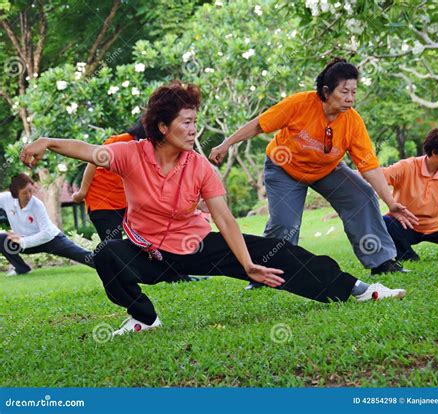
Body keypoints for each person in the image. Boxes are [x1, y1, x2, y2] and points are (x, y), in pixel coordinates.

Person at [21, 81, 407, 337]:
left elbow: (224, 218)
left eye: (195, 122)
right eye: (186, 123)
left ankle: (359, 289)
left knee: (277, 254)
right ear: (161, 127)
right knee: (107, 254)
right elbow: (87, 150)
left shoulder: (200, 166)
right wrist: (46, 141)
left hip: (196, 245)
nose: (194, 130)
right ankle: (144, 318)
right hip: (148, 253)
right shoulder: (130, 155)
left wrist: (248, 263)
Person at [209, 57, 418, 289]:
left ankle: (382, 262)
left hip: (326, 170)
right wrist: (225, 144)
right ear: (326, 91)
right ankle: (265, 274)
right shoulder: (300, 103)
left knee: (362, 196)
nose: (350, 98)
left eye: (354, 92)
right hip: (284, 169)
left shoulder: (353, 122)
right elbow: (260, 124)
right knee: (285, 224)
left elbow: (369, 166)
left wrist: (391, 202)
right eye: (344, 91)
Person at [70, 119, 200, 283]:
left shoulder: (155, 149)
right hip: (102, 200)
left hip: (129, 201)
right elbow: (92, 160)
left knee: (158, 236)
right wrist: (82, 192)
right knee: (113, 244)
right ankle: (123, 284)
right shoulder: (122, 141)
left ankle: (176, 276)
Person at [382, 127, 438, 261]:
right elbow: (377, 176)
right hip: (406, 225)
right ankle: (408, 257)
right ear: (435, 153)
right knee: (383, 223)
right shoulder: (407, 166)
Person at [0, 173, 95, 275]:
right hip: (23, 242)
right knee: (1, 239)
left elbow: (46, 233)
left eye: (30, 190)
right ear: (15, 194)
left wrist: (23, 241)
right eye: (24, 193)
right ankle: (22, 269)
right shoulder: (6, 199)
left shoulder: (37, 205)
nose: (29, 195)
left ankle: (108, 265)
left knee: (80, 254)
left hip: (51, 240)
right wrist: (21, 240)